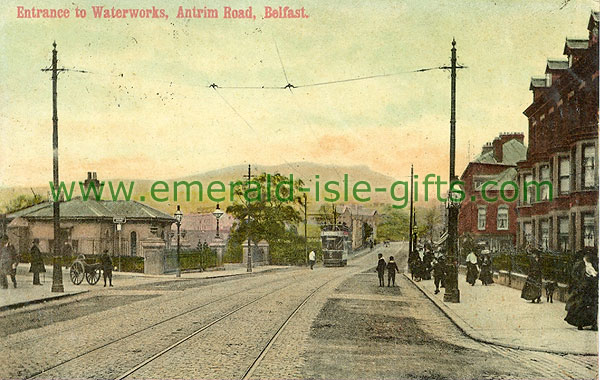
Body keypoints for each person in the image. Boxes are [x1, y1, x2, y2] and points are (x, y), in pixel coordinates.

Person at [565, 252, 598, 330]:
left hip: (583, 289)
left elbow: (574, 276)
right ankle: (592, 323)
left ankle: (581, 323)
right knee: (591, 306)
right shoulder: (591, 266)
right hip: (589, 289)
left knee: (581, 306)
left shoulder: (584, 266)